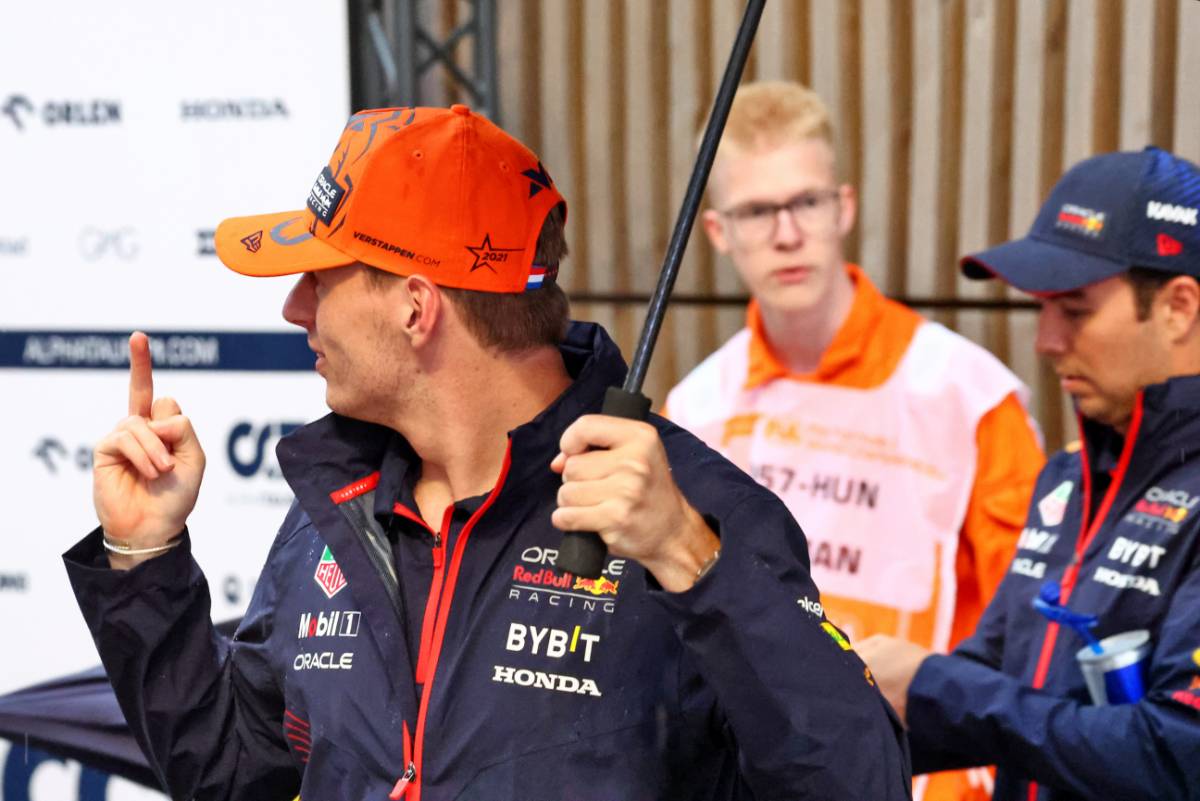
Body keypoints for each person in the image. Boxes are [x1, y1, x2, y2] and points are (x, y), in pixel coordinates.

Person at [63, 104, 911, 801]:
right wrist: (145, 559)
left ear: (416, 306)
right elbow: (236, 772)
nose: (295, 307)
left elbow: (858, 782)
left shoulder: (686, 514)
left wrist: (692, 559)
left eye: (322, 275)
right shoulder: (342, 500)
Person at [662, 81, 1044, 801]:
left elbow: (1029, 637)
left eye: (805, 202)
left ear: (844, 206)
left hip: (922, 777)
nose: (786, 233)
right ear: (718, 231)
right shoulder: (697, 407)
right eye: (756, 210)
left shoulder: (966, 395)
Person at [858, 145, 1200, 801]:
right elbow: (997, 678)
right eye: (1044, 309)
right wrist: (821, 709)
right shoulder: (1067, 480)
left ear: (1178, 306)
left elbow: (1176, 753)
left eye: (1074, 310)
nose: (1046, 340)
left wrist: (934, 682)